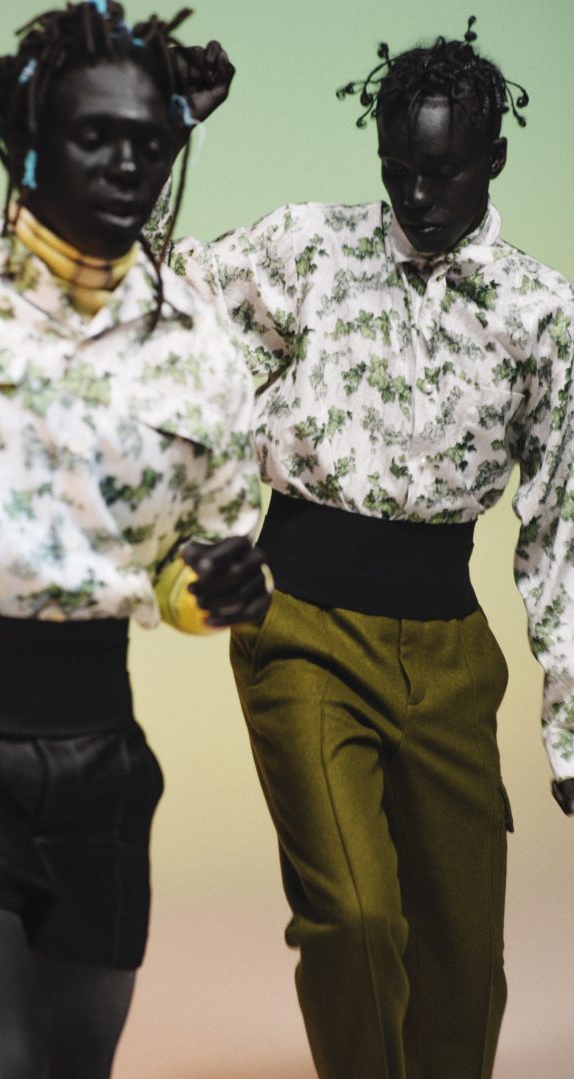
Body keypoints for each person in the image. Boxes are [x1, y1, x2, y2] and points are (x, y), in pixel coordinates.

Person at [0, 3, 271, 1078]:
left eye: (150, 142)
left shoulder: (202, 349)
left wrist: (215, 592)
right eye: (97, 136)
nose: (129, 164)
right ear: (25, 139)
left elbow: (185, 568)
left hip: (96, 749)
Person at [154, 15, 574, 1079]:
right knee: (352, 917)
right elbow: (159, 309)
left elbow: (562, 527)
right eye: (398, 170)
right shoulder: (310, 250)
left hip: (449, 651)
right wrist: (164, 136)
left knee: (464, 963)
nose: (416, 197)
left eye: (442, 172)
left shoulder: (544, 317)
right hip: (301, 624)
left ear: (494, 159)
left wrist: (570, 727)